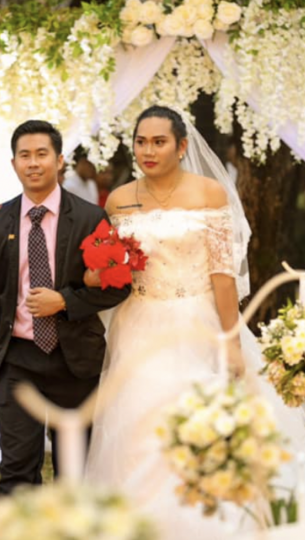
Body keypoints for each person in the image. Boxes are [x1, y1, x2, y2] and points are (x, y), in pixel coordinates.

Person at [84, 105, 305, 538]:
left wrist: (230, 341)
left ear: (182, 146)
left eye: (159, 142)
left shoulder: (209, 194)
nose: (149, 150)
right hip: (138, 324)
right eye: (141, 142)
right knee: (138, 421)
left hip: (199, 319)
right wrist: (98, 272)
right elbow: (111, 268)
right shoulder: (119, 199)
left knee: (201, 418)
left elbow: (222, 277)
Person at [0, 120, 129, 496]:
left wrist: (66, 301)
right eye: (25, 155)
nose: (33, 163)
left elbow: (120, 285)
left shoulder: (92, 218)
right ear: (14, 164)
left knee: (74, 476)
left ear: (59, 161)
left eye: (42, 154)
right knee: (17, 474)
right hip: (17, 360)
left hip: (75, 360)